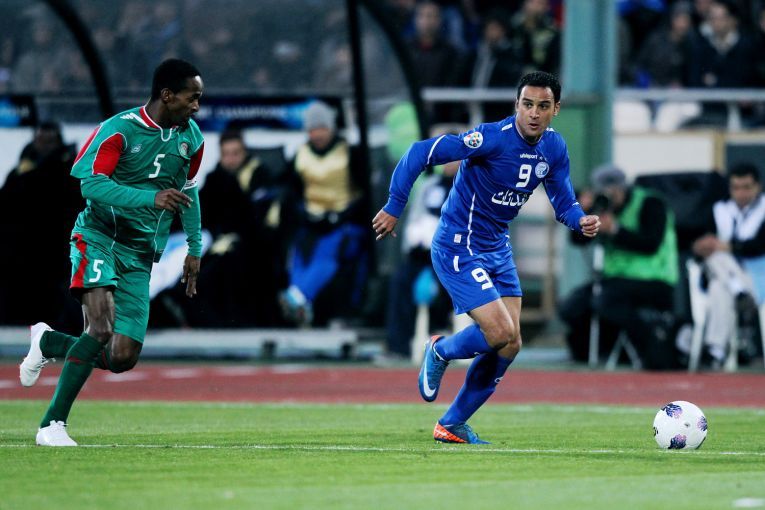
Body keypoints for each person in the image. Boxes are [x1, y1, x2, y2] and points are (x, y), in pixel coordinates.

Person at [373, 71, 600, 444]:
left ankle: (452, 424)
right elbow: (419, 153)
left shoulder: (554, 148)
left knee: (511, 343)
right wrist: (394, 205)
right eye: (527, 104)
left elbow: (564, 202)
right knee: (499, 332)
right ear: (516, 105)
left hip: (497, 247)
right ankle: (440, 350)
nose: (534, 113)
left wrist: (581, 221)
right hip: (458, 244)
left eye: (543, 106)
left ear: (556, 109)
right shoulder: (491, 138)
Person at [18, 58, 205, 446]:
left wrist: (194, 246)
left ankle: (49, 342)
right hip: (99, 237)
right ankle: (51, 425)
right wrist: (150, 198)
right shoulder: (119, 130)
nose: (197, 106)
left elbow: (188, 191)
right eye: (192, 98)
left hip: (140, 253)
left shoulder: (193, 138)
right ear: (167, 95)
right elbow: (91, 185)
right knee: (100, 328)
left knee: (122, 356)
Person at [558, 165, 680, 369]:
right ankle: (587, 353)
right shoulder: (603, 208)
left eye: (614, 191)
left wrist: (615, 230)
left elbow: (650, 244)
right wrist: (582, 215)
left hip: (654, 279)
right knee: (571, 306)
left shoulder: (650, 203)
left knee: (605, 301)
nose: (610, 197)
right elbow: (577, 241)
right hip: (614, 281)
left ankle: (650, 347)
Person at [280, 101, 369, 327]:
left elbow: (364, 193)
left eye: (322, 128)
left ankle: (297, 296)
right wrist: (304, 214)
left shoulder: (348, 153)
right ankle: (300, 301)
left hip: (344, 222)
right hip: (311, 222)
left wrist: (342, 215)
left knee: (329, 251)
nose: (317, 134)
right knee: (299, 250)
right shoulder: (300, 155)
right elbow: (292, 192)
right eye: (312, 129)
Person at [0, 121, 81, 329]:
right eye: (40, 140)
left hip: (54, 255)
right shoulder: (21, 171)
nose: (43, 145)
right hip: (18, 257)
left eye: (48, 141)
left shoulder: (70, 173)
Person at [691, 163, 765, 365]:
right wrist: (701, 246)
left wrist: (727, 246)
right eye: (736, 187)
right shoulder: (720, 209)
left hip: (757, 277)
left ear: (757, 187)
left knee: (718, 270)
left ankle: (715, 350)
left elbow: (758, 246)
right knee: (716, 268)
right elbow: (702, 240)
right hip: (728, 278)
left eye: (746, 187)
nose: (741, 193)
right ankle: (738, 290)